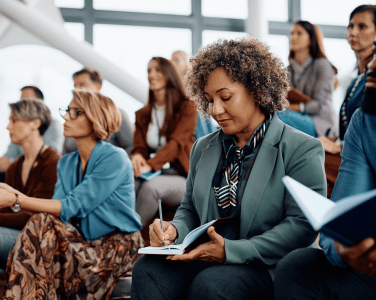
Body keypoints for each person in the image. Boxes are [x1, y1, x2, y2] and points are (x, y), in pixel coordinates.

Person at [131, 37, 326, 300]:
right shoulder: (204, 147)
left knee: (213, 284)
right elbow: (189, 209)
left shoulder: (300, 148)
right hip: (206, 255)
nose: (215, 110)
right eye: (209, 100)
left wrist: (230, 251)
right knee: (149, 269)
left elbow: (302, 225)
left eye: (225, 97)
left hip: (266, 264)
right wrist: (174, 230)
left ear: (257, 90)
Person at [0, 90, 143, 299]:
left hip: (115, 250)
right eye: (67, 111)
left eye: (76, 112)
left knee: (40, 224)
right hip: (81, 245)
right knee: (41, 222)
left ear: (96, 118)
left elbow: (72, 205)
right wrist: (10, 195)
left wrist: (16, 198)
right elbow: (56, 210)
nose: (65, 116)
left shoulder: (115, 158)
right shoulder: (67, 162)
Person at [273, 36, 376, 300]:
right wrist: (343, 249)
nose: (372, 65)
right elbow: (341, 215)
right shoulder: (363, 123)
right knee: (297, 267)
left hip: (315, 120)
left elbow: (318, 104)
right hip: (369, 264)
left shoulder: (320, 66)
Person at [0, 99, 60, 300]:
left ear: (35, 123)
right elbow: (9, 212)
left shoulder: (53, 163)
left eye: (14, 120)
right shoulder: (15, 167)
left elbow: (39, 217)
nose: (8, 126)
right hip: (18, 237)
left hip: (43, 242)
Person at [131, 57, 197, 227]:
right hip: (159, 171)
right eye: (149, 71)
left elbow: (175, 145)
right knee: (130, 182)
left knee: (151, 188)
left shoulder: (188, 107)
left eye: (157, 70)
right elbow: (139, 147)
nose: (151, 74)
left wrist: (151, 165)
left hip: (184, 176)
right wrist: (137, 157)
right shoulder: (142, 114)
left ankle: (128, 237)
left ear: (169, 74)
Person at [319, 4, 376, 197]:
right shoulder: (355, 80)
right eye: (350, 26)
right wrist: (333, 140)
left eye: (362, 26)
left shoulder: (372, 80)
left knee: (310, 159)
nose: (353, 32)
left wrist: (339, 146)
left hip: (362, 157)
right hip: (349, 151)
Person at [277, 20, 335, 137]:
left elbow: (318, 105)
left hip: (318, 122)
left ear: (310, 40)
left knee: (278, 115)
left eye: (299, 33)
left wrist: (288, 107)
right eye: (292, 33)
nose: (293, 37)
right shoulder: (288, 70)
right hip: (293, 116)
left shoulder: (322, 65)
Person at [0, 86, 63, 174]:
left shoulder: (54, 125)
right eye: (21, 100)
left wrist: (11, 164)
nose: (21, 104)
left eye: (26, 100)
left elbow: (49, 154)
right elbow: (9, 154)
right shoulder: (18, 135)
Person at [62, 67, 134, 155]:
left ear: (98, 86)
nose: (77, 89)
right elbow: (65, 152)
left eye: (82, 85)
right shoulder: (71, 118)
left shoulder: (116, 114)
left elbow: (131, 146)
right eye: (75, 86)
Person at [171, 50, 214, 139]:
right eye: (172, 60)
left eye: (176, 60)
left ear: (185, 61)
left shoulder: (194, 81)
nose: (173, 63)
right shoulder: (173, 84)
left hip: (197, 118)